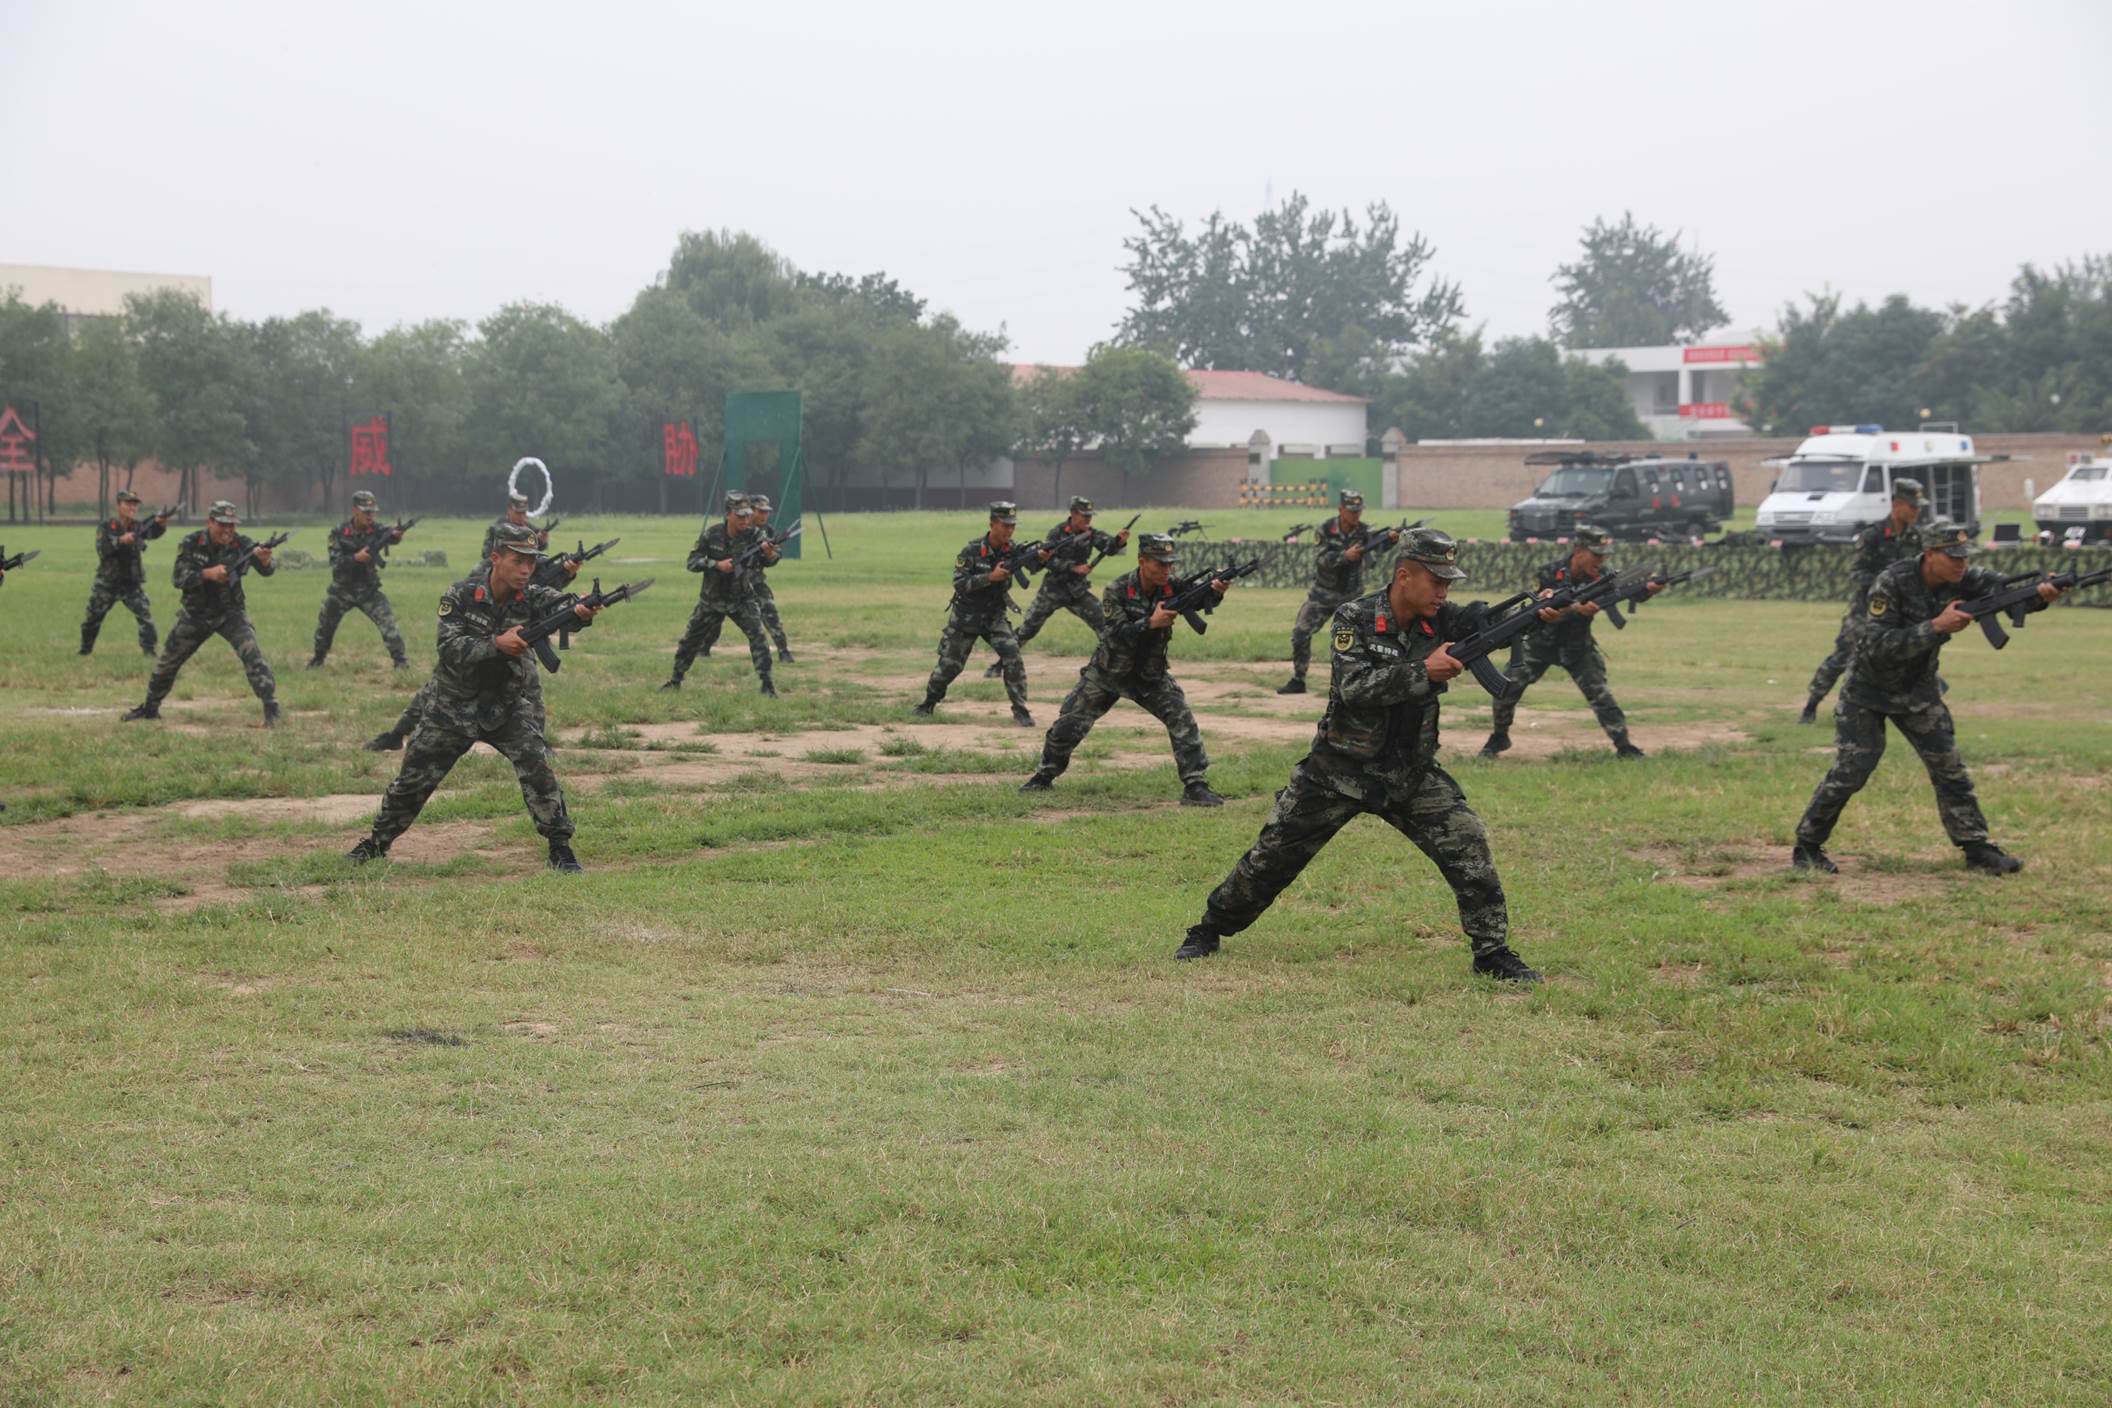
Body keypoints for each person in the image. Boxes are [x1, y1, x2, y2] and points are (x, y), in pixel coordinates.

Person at [1175, 529, 1540, 981]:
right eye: (1436, 581)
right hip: (1339, 771)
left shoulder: (1441, 617)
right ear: (1404, 576)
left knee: (1468, 847)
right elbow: (1354, 689)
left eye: (1449, 583)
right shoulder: (1355, 617)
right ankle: (1208, 929)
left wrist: (1540, 612)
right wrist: (1422, 671)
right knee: (1270, 859)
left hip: (1410, 772)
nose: (1444, 592)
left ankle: (1492, 953)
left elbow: (1483, 625)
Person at [1790, 523, 2061, 876]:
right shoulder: (1892, 582)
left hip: (1918, 692)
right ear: (1930, 554)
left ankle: (1976, 847)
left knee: (1950, 769)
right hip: (1868, 692)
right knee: (1851, 772)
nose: (1961, 564)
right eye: (1953, 556)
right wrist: (1935, 626)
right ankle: (1807, 846)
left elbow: (2008, 594)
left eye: (1964, 556)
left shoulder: (1966, 578)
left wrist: (2041, 595)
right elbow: (1876, 644)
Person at [348, 524, 599, 871]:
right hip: (452, 706)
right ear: (496, 558)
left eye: (531, 561)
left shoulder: (532, 597)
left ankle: (560, 846)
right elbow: (449, 648)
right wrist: (496, 644)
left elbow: (563, 606)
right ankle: (377, 843)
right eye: (518, 561)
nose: (526, 569)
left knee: (538, 767)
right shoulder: (462, 596)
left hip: (506, 705)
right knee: (412, 781)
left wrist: (582, 610)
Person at [1020, 532, 1227, 806]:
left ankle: (1196, 786)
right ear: (1142, 561)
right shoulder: (1117, 590)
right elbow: (1114, 634)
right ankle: (1044, 777)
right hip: (1108, 673)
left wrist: (1216, 592)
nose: (1167, 570)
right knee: (1067, 727)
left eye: (1170, 564)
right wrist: (1149, 623)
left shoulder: (1172, 586)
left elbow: (1197, 601)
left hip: (1150, 675)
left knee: (1183, 721)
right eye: (1160, 564)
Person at [1479, 526, 1656, 760]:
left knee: (1601, 696)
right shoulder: (1550, 573)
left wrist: (1649, 590)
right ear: (1579, 551)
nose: (1601, 560)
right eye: (1596, 554)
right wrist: (1575, 609)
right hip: (1539, 645)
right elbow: (1538, 610)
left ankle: (1624, 746)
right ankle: (1499, 737)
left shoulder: (1604, 578)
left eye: (1604, 555)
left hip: (1577, 647)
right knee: (1505, 689)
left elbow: (1628, 593)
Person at [123, 500, 281, 727]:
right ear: (210, 522)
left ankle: (271, 706)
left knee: (253, 655)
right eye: (222, 524)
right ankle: (150, 708)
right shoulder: (191, 542)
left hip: (230, 613)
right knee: (167, 663)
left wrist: (266, 562)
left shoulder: (243, 544)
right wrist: (207, 574)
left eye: (231, 525)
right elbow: (178, 578)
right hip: (196, 614)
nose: (227, 530)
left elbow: (267, 570)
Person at [1800, 478, 1926, 723]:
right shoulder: (1873, 535)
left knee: (1908, 657)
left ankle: (1907, 709)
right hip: (1867, 610)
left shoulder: (1915, 539)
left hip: (1899, 612)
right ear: (1897, 504)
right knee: (1844, 655)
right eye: (1913, 507)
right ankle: (1812, 704)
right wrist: (1886, 583)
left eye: (1919, 507)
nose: (1917, 512)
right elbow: (1857, 574)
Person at [915, 501, 1045, 726]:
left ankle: (1021, 711)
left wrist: (1042, 558)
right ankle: (928, 703)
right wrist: (989, 578)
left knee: (1012, 655)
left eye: (1012, 526)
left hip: (994, 617)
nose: (1009, 530)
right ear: (992, 524)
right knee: (951, 665)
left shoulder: (1012, 550)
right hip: (966, 617)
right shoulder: (971, 550)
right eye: (1005, 525)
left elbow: (1032, 569)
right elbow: (959, 583)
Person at [1279, 490, 1409, 694]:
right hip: (1323, 594)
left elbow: (1378, 547)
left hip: (1352, 596)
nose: (1355, 515)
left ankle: (1357, 681)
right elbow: (1321, 559)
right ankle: (1298, 679)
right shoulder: (1326, 530)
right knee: (1300, 633)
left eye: (1358, 511)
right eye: (1351, 511)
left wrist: (1391, 539)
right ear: (1341, 510)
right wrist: (1344, 556)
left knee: (1357, 640)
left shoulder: (1365, 532)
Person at [986, 495, 1129, 676]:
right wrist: (1073, 568)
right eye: (1084, 515)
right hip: (1053, 590)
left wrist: (1118, 541)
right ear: (1073, 514)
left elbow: (1108, 548)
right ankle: (1000, 664)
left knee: (1104, 625)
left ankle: (1105, 666)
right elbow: (1048, 561)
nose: (1088, 519)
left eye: (1090, 516)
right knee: (1027, 629)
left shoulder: (1091, 533)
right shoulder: (1057, 533)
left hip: (1077, 592)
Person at [662, 493, 778, 696]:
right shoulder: (712, 534)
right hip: (712, 600)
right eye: (740, 515)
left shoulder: (755, 536)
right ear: (728, 514)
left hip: (742, 598)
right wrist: (716, 565)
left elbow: (771, 559)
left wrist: (769, 553)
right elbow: (692, 562)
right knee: (690, 640)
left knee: (758, 637)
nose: (745, 520)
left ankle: (767, 685)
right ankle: (675, 680)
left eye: (747, 515)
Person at [308, 489, 410, 669]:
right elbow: (336, 562)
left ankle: (401, 662)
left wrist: (397, 535)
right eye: (366, 512)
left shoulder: (377, 529)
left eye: (373, 512)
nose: (371, 516)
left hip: (367, 589)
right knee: (325, 626)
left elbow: (391, 535)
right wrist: (356, 558)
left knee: (389, 624)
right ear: (355, 511)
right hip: (342, 589)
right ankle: (318, 659)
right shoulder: (338, 533)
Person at [80, 489, 172, 656]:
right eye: (128, 503)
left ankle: (149, 652)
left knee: (145, 617)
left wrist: (160, 523)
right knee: (92, 618)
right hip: (108, 583)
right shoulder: (107, 526)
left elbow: (151, 532)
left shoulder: (137, 526)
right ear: (118, 505)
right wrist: (121, 540)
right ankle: (85, 650)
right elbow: (103, 550)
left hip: (131, 583)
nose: (132, 507)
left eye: (135, 504)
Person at [744, 493, 794, 663]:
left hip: (755, 581)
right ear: (750, 511)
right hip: (730, 580)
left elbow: (773, 560)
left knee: (770, 611)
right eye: (761, 511)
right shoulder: (736, 527)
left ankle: (783, 650)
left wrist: (768, 553)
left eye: (767, 512)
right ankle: (703, 647)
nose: (764, 515)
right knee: (711, 613)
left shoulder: (769, 532)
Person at [480, 492, 552, 558]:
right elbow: (486, 553)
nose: (521, 516)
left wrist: (542, 541)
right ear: (509, 509)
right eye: (518, 513)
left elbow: (540, 548)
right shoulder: (497, 528)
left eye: (523, 513)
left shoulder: (530, 529)